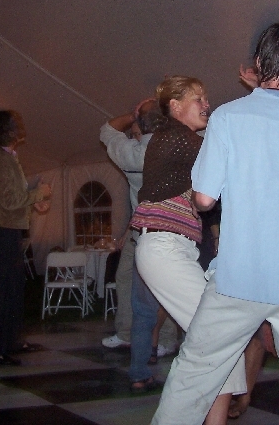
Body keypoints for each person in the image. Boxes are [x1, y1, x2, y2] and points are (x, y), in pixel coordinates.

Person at [150, 23, 279, 425]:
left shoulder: (228, 117)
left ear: (259, 62)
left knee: (195, 377)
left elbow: (204, 199)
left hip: (241, 277)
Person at [132, 75, 247, 425]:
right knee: (217, 334)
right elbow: (231, 155)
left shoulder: (181, 141)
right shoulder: (177, 138)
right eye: (199, 98)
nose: (206, 105)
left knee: (219, 342)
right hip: (163, 247)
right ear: (175, 106)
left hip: (172, 249)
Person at [98, 100, 180, 389]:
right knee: (174, 298)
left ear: (141, 126)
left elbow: (106, 130)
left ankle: (139, 370)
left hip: (145, 234)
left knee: (144, 305)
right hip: (173, 235)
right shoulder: (180, 148)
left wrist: (132, 114)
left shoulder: (131, 154)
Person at [0, 110, 51, 366]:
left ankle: (11, 341)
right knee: (8, 287)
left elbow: (11, 198)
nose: (20, 126)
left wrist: (32, 202)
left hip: (7, 225)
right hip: (2, 227)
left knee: (15, 286)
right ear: (6, 131)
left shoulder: (5, 157)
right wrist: (39, 194)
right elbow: (10, 201)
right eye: (15, 124)